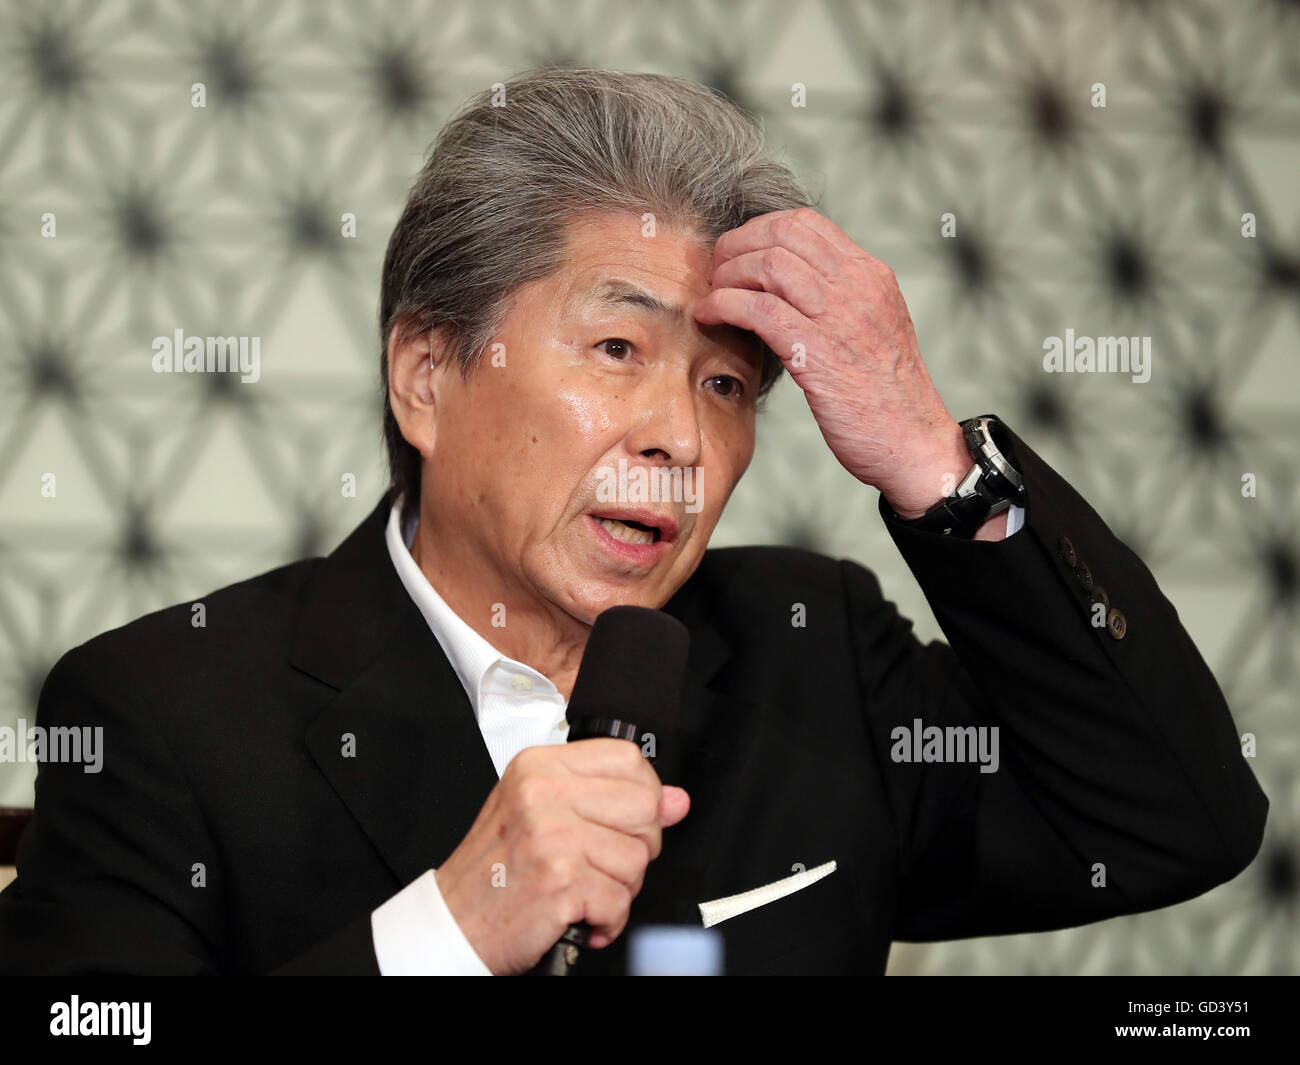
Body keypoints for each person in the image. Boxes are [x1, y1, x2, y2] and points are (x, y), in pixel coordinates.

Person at [0, 68, 1267, 975]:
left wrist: (937, 463)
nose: (680, 440)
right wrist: (446, 934)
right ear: (427, 376)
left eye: (726, 386)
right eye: (617, 348)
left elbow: (1173, 824)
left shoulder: (812, 652)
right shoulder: (161, 714)